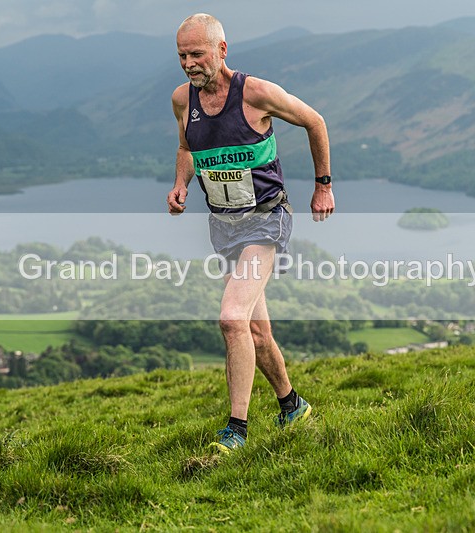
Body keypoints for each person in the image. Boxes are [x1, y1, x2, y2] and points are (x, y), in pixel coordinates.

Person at [166, 13, 335, 453]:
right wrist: (181, 183)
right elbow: (186, 147)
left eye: (197, 54)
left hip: (266, 219)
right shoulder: (183, 100)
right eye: (182, 56)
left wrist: (323, 186)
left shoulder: (255, 93)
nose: (189, 64)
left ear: (221, 50)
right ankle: (292, 405)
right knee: (256, 332)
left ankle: (236, 430)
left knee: (231, 318)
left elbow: (315, 121)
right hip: (224, 226)